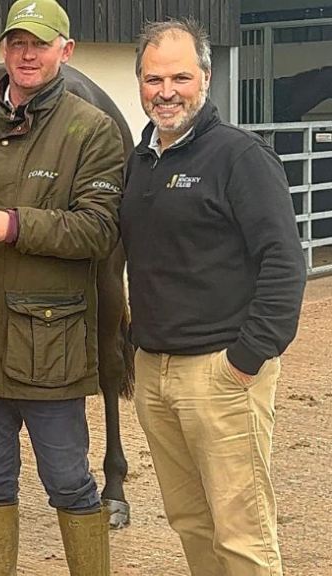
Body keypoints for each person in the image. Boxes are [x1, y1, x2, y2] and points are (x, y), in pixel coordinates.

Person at [0, 0, 124, 574]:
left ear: (67, 50)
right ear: (4, 49)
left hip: (47, 346)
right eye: (16, 43)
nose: (26, 55)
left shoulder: (92, 130)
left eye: (39, 44)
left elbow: (99, 229)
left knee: (69, 481)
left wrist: (11, 225)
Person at [122, 19, 306, 576]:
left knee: (242, 534)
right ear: (140, 82)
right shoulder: (141, 160)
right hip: (155, 372)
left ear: (205, 77)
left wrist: (246, 360)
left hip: (221, 374)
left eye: (180, 77)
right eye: (154, 79)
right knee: (191, 522)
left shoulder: (240, 157)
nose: (166, 91)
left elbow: (284, 264)